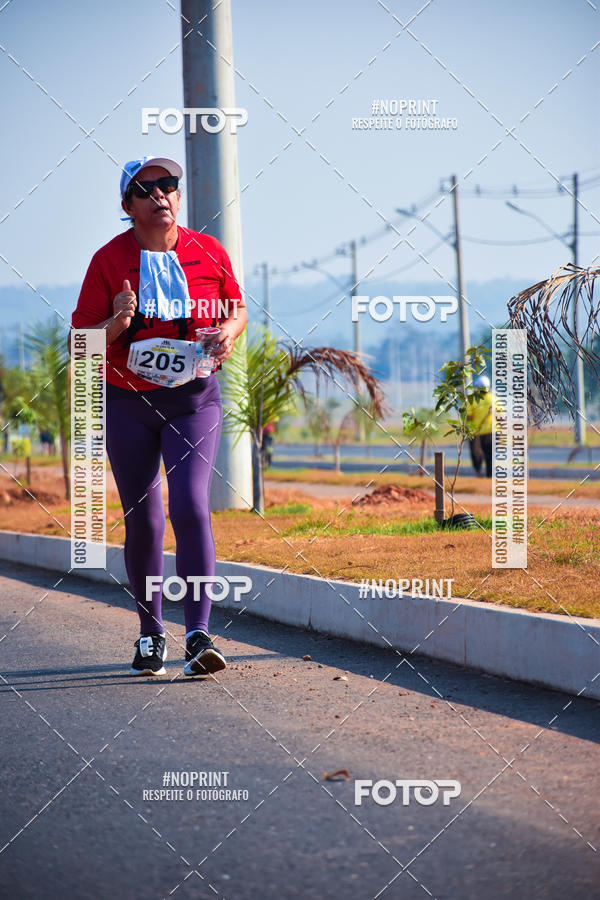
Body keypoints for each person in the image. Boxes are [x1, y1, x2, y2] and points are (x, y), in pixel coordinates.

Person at [70, 156, 247, 677]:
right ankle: (151, 635)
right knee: (143, 519)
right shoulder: (108, 261)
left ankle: (198, 635)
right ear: (127, 205)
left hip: (193, 401)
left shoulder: (208, 251)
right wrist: (116, 322)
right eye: (146, 190)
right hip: (129, 403)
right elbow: (81, 346)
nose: (160, 196)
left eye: (168, 185)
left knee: (190, 506)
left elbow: (237, 308)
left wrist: (228, 332)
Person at [467, 374, 494, 478]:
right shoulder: (493, 398)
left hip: (476, 433)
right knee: (489, 455)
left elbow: (469, 417)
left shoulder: (472, 399)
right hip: (491, 432)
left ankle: (479, 472)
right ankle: (489, 476)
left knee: (476, 454)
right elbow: (501, 416)